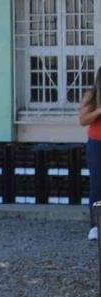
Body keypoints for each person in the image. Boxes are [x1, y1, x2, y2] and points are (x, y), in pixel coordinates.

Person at [79, 67, 101, 240]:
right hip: (97, 144)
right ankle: (95, 226)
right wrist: (99, 110)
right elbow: (83, 120)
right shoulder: (92, 95)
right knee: (97, 184)